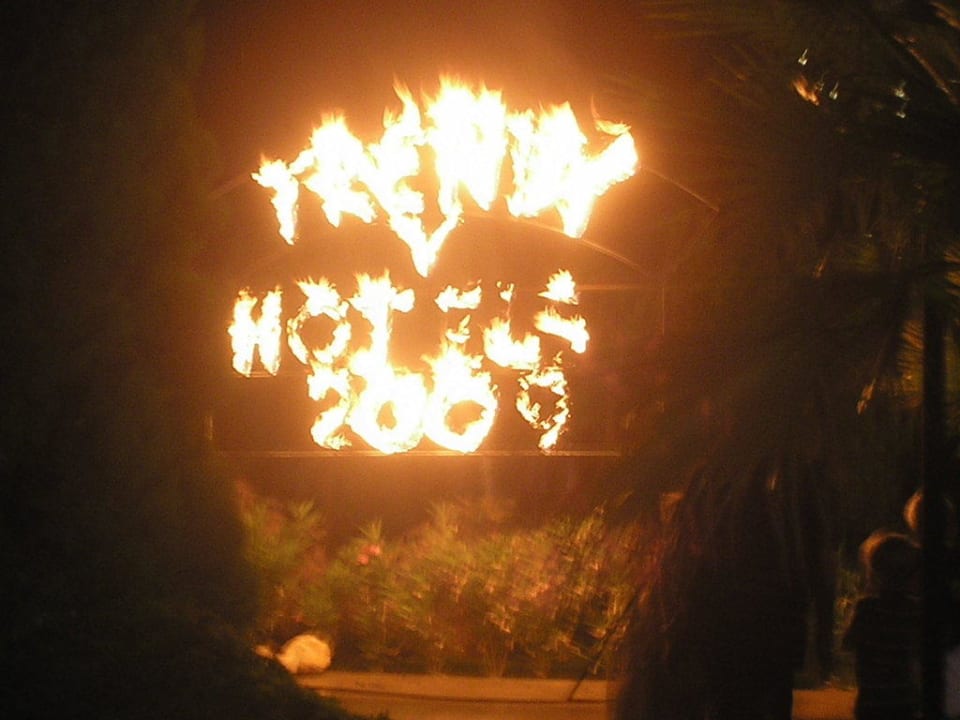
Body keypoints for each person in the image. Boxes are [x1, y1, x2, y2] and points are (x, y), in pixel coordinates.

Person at [842, 530, 921, 720]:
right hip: (904, 701)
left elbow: (848, 643)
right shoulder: (915, 612)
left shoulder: (866, 608)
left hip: (871, 700)